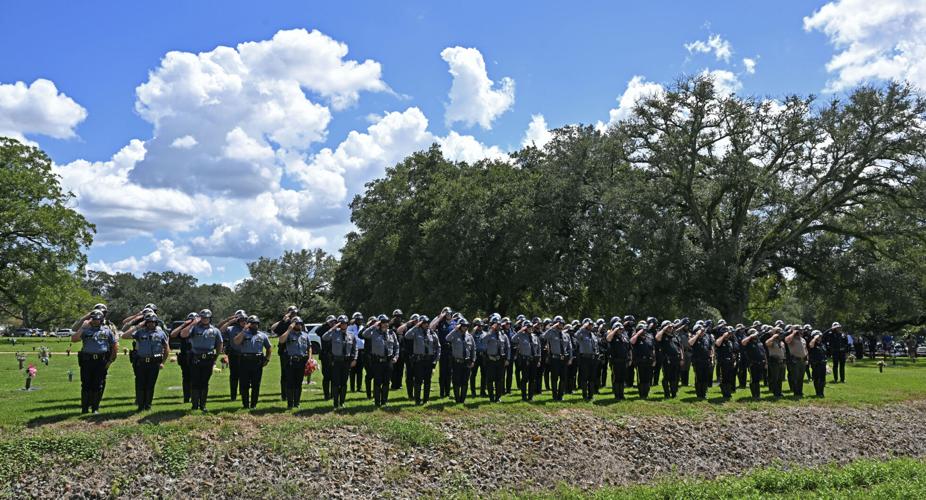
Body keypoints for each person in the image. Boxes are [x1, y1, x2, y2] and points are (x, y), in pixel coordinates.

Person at [70, 310, 117, 414]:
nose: (96, 321)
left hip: (101, 361)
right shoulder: (85, 330)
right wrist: (82, 327)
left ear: (101, 320)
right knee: (86, 384)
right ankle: (85, 408)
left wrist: (110, 360)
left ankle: (95, 408)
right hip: (87, 361)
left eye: (98, 319)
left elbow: (113, 345)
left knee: (98, 384)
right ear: (91, 319)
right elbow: (74, 339)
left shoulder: (107, 330)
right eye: (94, 319)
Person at [121, 312, 169, 411]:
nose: (150, 324)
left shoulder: (161, 333)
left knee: (150, 384)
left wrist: (163, 362)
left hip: (154, 362)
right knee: (140, 383)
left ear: (156, 322)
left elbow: (166, 348)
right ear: (145, 322)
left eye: (153, 322)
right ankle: (140, 405)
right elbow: (124, 336)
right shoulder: (140, 332)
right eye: (148, 322)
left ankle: (148, 405)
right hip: (141, 362)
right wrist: (138, 326)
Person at [180, 309, 224, 412]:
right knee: (195, 382)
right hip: (196, 358)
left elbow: (219, 344)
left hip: (208, 359)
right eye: (203, 317)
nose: (205, 319)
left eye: (207, 318)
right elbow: (183, 334)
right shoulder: (194, 328)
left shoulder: (215, 330)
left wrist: (215, 358)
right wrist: (192, 324)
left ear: (210, 318)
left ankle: (203, 405)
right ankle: (195, 405)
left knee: (204, 382)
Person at [233, 315, 271, 409]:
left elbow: (269, 348)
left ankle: (253, 404)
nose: (254, 325)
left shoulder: (262, 335)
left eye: (256, 324)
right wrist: (243, 331)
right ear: (248, 324)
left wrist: (267, 359)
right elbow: (236, 342)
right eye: (252, 323)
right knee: (244, 384)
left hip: (257, 361)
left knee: (256, 384)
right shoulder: (243, 334)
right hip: (245, 361)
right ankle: (245, 404)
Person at [362, 314, 400, 407]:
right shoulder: (374, 332)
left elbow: (396, 346)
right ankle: (377, 401)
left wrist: (396, 356)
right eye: (383, 322)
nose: (386, 324)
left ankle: (384, 401)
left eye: (387, 322)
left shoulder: (391, 333)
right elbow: (364, 334)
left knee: (386, 382)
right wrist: (374, 325)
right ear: (380, 323)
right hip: (377, 361)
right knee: (377, 382)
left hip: (388, 361)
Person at [321, 315, 357, 409]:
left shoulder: (351, 335)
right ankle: (335, 403)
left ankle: (342, 402)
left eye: (345, 323)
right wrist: (333, 328)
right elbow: (324, 337)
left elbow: (355, 348)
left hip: (346, 362)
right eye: (341, 323)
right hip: (336, 361)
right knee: (336, 383)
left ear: (347, 324)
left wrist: (355, 359)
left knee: (344, 383)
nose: (343, 325)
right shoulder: (334, 333)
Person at [404, 315, 440, 405]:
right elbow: (407, 336)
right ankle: (417, 400)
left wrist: (436, 358)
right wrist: (416, 326)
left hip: (429, 360)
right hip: (419, 360)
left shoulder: (431, 332)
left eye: (427, 323)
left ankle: (426, 399)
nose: (426, 325)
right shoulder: (416, 331)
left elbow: (438, 346)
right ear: (421, 324)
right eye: (424, 323)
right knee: (418, 381)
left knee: (427, 381)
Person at [279, 316, 312, 409]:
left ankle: (297, 403)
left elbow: (309, 347)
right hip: (290, 361)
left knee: (298, 383)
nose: (299, 325)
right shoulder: (289, 334)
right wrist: (289, 329)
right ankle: (290, 403)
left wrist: (309, 358)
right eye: (297, 323)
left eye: (300, 324)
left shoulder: (305, 335)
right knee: (290, 383)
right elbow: (281, 340)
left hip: (301, 361)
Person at [271, 306, 300, 401]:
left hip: (297, 352)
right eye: (291, 313)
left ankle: (294, 395)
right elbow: (273, 329)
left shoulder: (299, 322)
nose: (293, 315)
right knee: (285, 374)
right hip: (285, 352)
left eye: (294, 313)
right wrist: (284, 319)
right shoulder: (285, 323)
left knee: (296, 374)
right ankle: (284, 395)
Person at [445, 318, 476, 403]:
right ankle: (457, 399)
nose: (465, 327)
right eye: (463, 326)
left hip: (467, 362)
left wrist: (473, 360)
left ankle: (462, 400)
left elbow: (473, 349)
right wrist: (455, 330)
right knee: (456, 381)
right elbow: (447, 338)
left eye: (466, 326)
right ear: (459, 326)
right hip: (457, 362)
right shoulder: (454, 334)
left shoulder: (469, 336)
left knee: (465, 381)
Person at [218, 310, 247, 401]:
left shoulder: (249, 328)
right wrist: (230, 321)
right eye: (241, 320)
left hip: (246, 355)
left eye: (245, 319)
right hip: (234, 355)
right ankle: (233, 396)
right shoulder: (231, 329)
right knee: (234, 376)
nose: (243, 321)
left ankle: (244, 394)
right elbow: (220, 330)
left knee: (245, 376)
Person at [544, 316, 572, 401]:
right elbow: (544, 336)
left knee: (563, 378)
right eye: (559, 323)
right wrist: (552, 327)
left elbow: (569, 347)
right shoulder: (551, 333)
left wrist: (570, 358)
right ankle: (554, 396)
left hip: (564, 359)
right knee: (554, 378)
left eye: (562, 324)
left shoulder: (566, 335)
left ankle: (560, 395)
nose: (561, 325)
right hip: (555, 358)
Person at [511, 320, 540, 401]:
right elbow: (513, 339)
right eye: (528, 327)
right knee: (525, 379)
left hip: (534, 360)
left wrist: (539, 359)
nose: (530, 329)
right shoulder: (521, 336)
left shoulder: (535, 336)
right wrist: (520, 331)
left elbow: (539, 349)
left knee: (532, 379)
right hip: (525, 360)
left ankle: (530, 396)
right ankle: (524, 396)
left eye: (531, 327)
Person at [171, 312, 196, 403]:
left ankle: (195, 397)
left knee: (196, 378)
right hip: (185, 357)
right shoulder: (184, 330)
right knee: (186, 378)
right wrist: (184, 324)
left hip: (196, 356)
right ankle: (186, 397)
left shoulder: (198, 329)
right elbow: (173, 334)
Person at [430, 307, 455, 399]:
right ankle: (441, 392)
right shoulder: (440, 323)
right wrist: (440, 317)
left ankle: (447, 392)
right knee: (443, 372)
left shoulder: (454, 323)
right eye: (446, 313)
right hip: (443, 349)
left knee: (449, 372)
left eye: (449, 313)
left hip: (451, 350)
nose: (448, 315)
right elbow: (431, 327)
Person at [574, 318, 599, 402]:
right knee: (584, 377)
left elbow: (596, 345)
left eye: (591, 325)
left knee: (592, 377)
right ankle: (584, 395)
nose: (590, 326)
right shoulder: (581, 334)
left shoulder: (593, 334)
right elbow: (576, 335)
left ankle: (591, 395)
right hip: (584, 358)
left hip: (593, 358)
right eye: (589, 325)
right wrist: (582, 327)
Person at [656, 320, 681, 399]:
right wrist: (664, 329)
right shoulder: (662, 336)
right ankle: (667, 394)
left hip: (676, 359)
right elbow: (657, 338)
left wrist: (682, 358)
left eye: (671, 327)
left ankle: (673, 393)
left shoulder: (674, 336)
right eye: (668, 327)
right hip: (667, 359)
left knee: (674, 377)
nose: (670, 328)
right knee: (667, 377)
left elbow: (680, 347)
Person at [688, 322, 714, 399]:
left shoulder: (707, 337)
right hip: (697, 361)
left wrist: (712, 359)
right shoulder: (694, 337)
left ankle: (704, 393)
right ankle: (699, 394)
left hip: (706, 361)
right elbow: (690, 343)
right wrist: (697, 335)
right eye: (700, 330)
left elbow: (710, 349)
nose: (702, 332)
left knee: (705, 377)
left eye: (703, 331)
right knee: (699, 377)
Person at [605, 319, 630, 400]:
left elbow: (628, 347)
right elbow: (608, 339)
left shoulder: (623, 337)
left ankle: (621, 395)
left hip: (624, 361)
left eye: (621, 329)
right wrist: (615, 329)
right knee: (616, 379)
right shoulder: (612, 336)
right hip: (615, 361)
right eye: (618, 329)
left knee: (622, 379)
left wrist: (630, 358)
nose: (620, 330)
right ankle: (617, 395)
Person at [630, 321, 655, 399]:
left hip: (648, 361)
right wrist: (638, 333)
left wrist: (654, 359)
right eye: (642, 330)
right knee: (641, 378)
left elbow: (652, 349)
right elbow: (631, 341)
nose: (643, 331)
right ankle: (641, 394)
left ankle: (646, 394)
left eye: (644, 330)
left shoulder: (649, 337)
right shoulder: (636, 337)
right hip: (640, 361)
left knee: (648, 378)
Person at [740, 328, 767, 400]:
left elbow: (764, 353)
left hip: (760, 363)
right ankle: (754, 395)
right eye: (755, 334)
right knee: (754, 380)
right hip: (752, 364)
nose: (756, 335)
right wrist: (751, 336)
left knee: (758, 380)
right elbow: (743, 342)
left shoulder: (759, 342)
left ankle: (758, 394)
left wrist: (766, 362)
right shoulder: (748, 342)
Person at [714, 326, 737, 400]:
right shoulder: (720, 340)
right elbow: (717, 344)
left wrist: (734, 360)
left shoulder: (730, 342)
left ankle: (728, 392)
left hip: (730, 362)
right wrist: (723, 336)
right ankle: (725, 394)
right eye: (727, 333)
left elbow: (732, 352)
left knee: (729, 378)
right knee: (724, 378)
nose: (729, 335)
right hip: (722, 362)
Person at [785, 325, 807, 397]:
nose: (800, 331)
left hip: (803, 360)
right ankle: (796, 392)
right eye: (799, 330)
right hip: (795, 360)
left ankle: (800, 391)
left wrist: (807, 359)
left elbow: (805, 350)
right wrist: (793, 333)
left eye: (801, 330)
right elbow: (787, 340)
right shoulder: (791, 338)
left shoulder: (803, 339)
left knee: (801, 377)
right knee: (795, 377)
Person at [346, 312, 365, 394]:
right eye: (358, 319)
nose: (359, 321)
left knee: (360, 370)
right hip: (353, 351)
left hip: (361, 350)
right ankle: (352, 387)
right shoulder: (349, 328)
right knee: (352, 370)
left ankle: (359, 387)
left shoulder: (363, 327)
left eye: (360, 319)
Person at [764, 327, 786, 398]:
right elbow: (766, 343)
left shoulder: (782, 342)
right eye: (777, 332)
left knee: (780, 378)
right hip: (774, 362)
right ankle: (775, 393)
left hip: (781, 361)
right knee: (775, 378)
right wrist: (773, 336)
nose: (779, 334)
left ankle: (779, 392)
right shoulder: (772, 341)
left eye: (780, 332)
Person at [808, 330, 828, 397]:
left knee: (823, 379)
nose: (820, 337)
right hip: (816, 364)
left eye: (820, 336)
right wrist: (814, 338)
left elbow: (824, 353)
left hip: (823, 363)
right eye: (819, 336)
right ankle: (817, 392)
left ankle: (821, 393)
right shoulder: (812, 343)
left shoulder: (822, 344)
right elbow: (811, 346)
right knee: (816, 378)